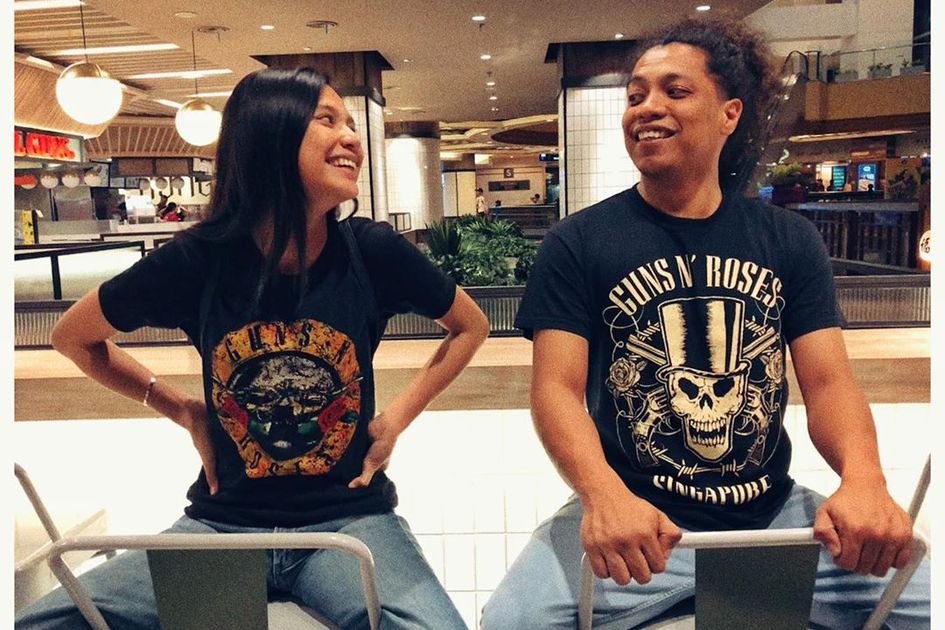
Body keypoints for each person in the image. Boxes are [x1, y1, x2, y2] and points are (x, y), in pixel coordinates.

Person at [482, 16, 929, 630]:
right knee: (510, 623)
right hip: (638, 522)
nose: (647, 107)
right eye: (636, 95)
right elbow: (556, 390)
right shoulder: (578, 242)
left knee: (926, 605)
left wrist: (865, 482)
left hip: (772, 516)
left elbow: (830, 385)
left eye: (675, 90)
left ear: (729, 114)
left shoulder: (789, 239)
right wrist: (604, 496)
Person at [16, 67, 489, 630]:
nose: (352, 139)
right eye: (328, 120)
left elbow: (470, 326)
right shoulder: (199, 259)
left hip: (348, 522)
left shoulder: (371, 251)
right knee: (50, 621)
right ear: (271, 135)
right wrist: (179, 408)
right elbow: (73, 337)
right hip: (224, 527)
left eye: (351, 124)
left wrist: (398, 419)